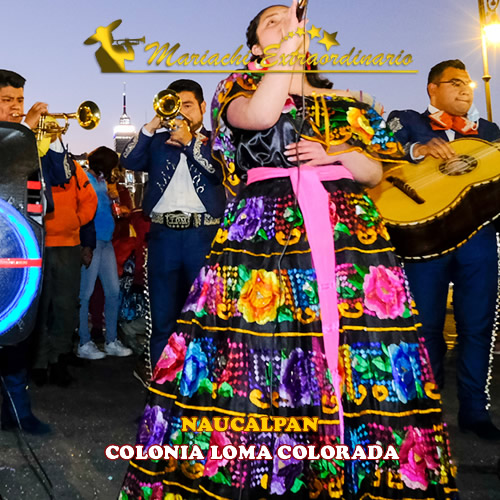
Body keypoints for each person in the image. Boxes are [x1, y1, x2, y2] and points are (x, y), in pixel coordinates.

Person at [120, 4, 458, 499]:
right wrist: (284, 57)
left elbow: (373, 171)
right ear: (256, 46)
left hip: (350, 235)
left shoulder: (348, 98)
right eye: (272, 22)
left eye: (290, 18)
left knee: (359, 352)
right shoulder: (237, 86)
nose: (286, 25)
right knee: (260, 353)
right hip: (267, 233)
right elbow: (259, 116)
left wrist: (336, 155)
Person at [387, 59, 500, 441]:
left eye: (467, 82)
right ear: (432, 89)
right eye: (454, 83)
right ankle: (425, 409)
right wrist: (416, 148)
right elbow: (383, 143)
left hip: (479, 238)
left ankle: (474, 409)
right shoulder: (407, 119)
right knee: (425, 327)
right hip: (426, 242)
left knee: (478, 326)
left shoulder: (488, 132)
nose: (466, 89)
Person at [120, 79, 225, 380]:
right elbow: (128, 159)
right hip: (164, 235)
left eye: (188, 105)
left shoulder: (216, 140)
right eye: (176, 106)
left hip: (202, 237)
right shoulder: (157, 141)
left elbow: (217, 172)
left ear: (203, 108)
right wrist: (153, 123)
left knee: (203, 316)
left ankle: (201, 387)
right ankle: (162, 388)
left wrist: (190, 142)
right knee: (162, 318)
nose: (181, 112)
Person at [0, 68, 75, 434]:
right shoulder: (16, 137)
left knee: (20, 327)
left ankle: (17, 410)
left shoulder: (27, 139)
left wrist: (44, 144)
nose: (16, 108)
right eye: (7, 101)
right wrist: (25, 133)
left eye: (19, 100)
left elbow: (58, 179)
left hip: (22, 244)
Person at [77, 147, 133, 360]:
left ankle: (111, 340)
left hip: (106, 241)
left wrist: (115, 200)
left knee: (113, 291)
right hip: (92, 242)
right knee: (85, 294)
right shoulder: (86, 180)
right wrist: (85, 245)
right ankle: (84, 342)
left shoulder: (103, 182)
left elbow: (110, 211)